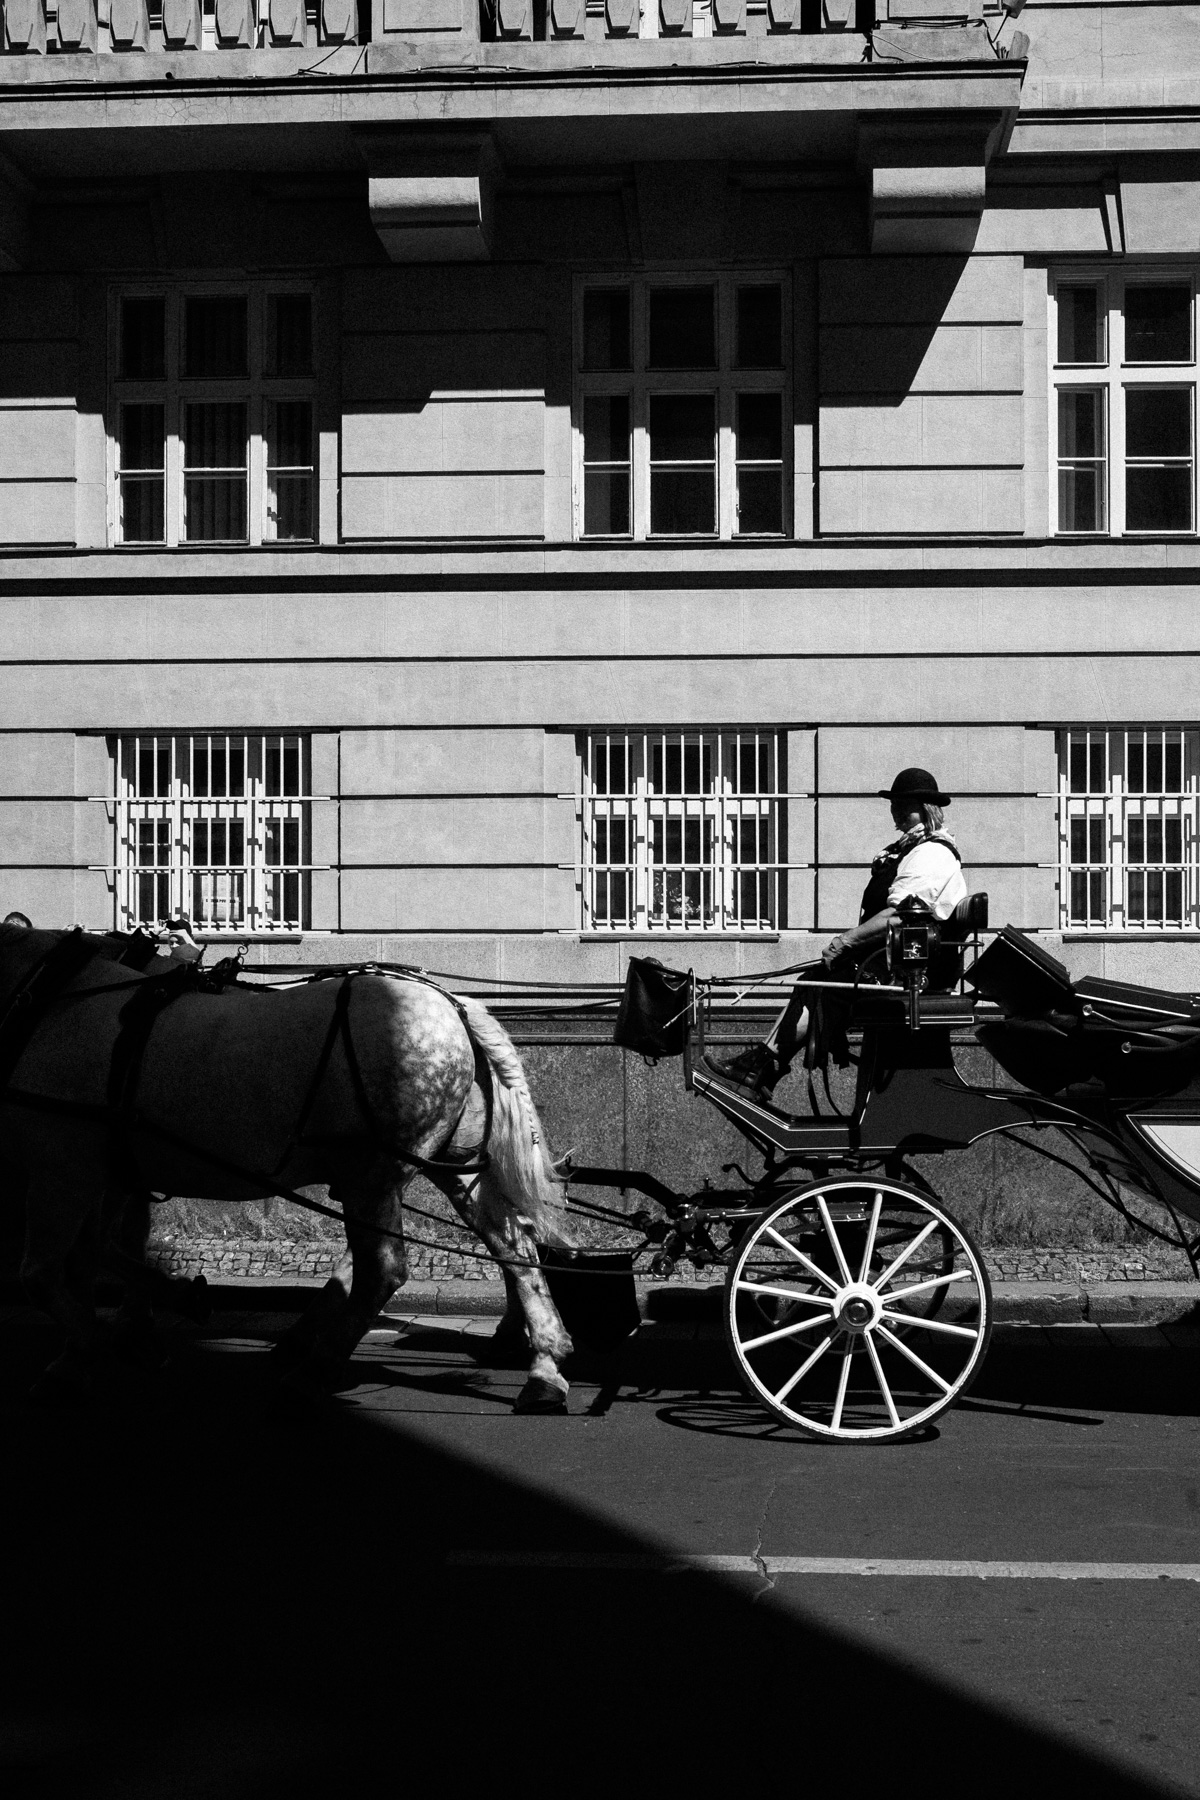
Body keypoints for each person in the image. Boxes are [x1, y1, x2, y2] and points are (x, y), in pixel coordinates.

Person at [707, 766, 968, 1099]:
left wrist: (845, 942)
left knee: (826, 989)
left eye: (906, 805)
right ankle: (763, 1066)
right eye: (895, 803)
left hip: (908, 971)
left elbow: (900, 916)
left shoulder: (932, 853)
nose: (897, 810)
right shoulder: (909, 849)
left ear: (927, 809)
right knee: (814, 980)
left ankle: (762, 1066)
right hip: (888, 961)